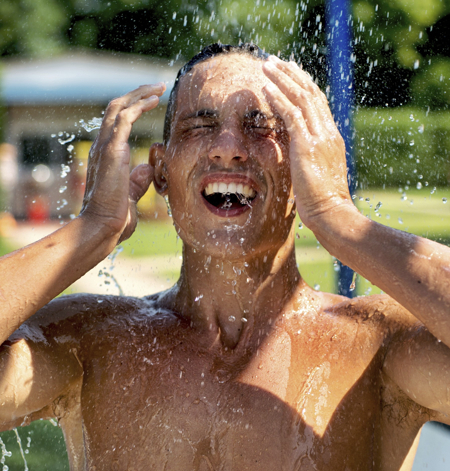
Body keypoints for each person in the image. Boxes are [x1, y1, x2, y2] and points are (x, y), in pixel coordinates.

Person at [0, 43, 449, 471]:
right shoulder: (91, 345)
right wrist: (92, 230)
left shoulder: (377, 347)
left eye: (262, 126)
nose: (229, 146)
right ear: (161, 169)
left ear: (308, 164)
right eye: (201, 124)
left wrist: (341, 221)